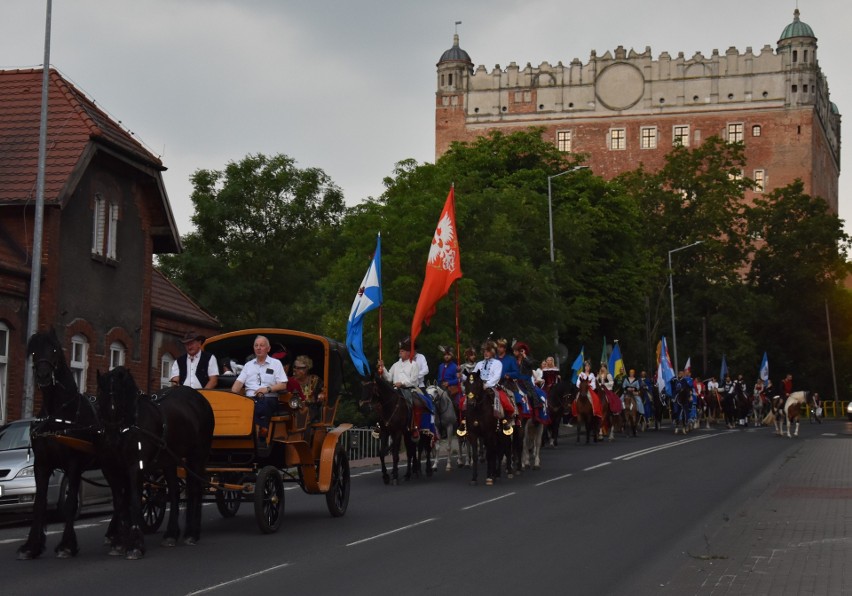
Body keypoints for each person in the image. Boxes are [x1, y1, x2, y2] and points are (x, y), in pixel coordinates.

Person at [231, 335, 288, 439]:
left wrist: (267, 389)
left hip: (269, 398)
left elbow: (283, 384)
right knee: (245, 405)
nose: (258, 348)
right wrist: (231, 396)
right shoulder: (248, 365)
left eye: (261, 345)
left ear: (268, 349)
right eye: (256, 345)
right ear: (253, 348)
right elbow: (238, 383)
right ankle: (261, 428)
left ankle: (260, 434)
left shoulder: (276, 364)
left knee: (262, 402)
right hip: (250, 399)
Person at [378, 338, 434, 440]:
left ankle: (415, 427)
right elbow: (389, 377)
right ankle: (381, 425)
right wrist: (383, 368)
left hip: (409, 389)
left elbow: (414, 381)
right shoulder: (396, 364)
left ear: (408, 353)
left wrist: (402, 383)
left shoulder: (414, 364)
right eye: (400, 350)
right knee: (381, 401)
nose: (400, 352)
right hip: (395, 390)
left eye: (402, 351)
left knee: (416, 403)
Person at [470, 339, 513, 433]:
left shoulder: (497, 363)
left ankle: (504, 421)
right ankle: (466, 422)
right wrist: (463, 376)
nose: (486, 353)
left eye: (488, 351)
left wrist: (487, 384)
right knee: (465, 401)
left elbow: (496, 377)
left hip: (492, 387)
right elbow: (473, 376)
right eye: (484, 351)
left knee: (503, 399)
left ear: (492, 352)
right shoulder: (479, 364)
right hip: (478, 388)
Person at [291, 355, 325, 424]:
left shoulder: (315, 379)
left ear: (306, 369)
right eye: (294, 367)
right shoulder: (291, 381)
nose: (295, 370)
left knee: (307, 414)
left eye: (299, 368)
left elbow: (324, 390)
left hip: (311, 408)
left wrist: (322, 394)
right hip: (294, 408)